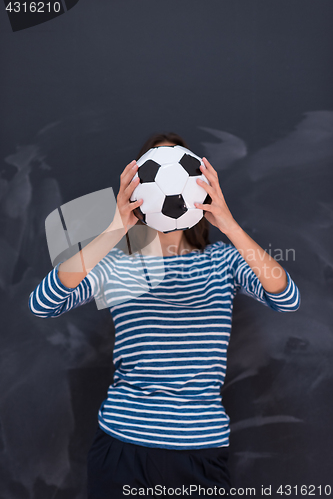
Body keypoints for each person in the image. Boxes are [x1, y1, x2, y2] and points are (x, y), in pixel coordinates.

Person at [29, 132, 301, 498]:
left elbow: (286, 297)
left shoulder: (222, 262)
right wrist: (114, 229)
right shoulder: (118, 264)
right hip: (123, 446)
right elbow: (43, 303)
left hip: (200, 451)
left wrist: (230, 226)